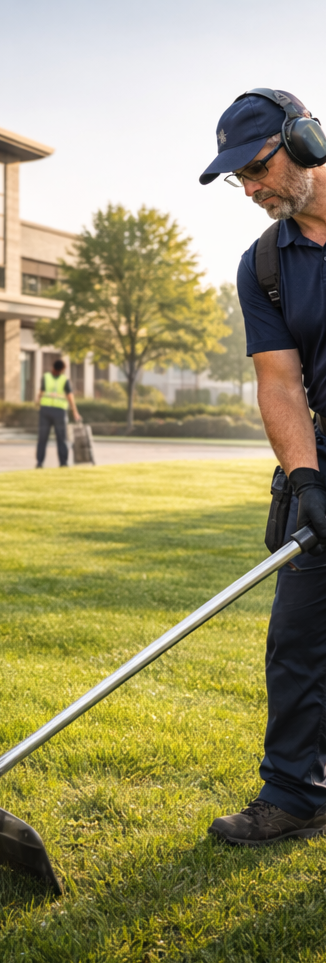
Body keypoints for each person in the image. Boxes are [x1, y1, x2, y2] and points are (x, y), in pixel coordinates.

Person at [200, 89, 326, 845]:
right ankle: (294, 796)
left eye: (256, 168)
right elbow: (278, 381)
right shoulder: (266, 264)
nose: (249, 190)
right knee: (297, 639)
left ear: (306, 140)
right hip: (321, 459)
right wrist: (306, 479)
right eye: (237, 180)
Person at [35, 359, 81, 468]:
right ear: (62, 369)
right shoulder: (65, 380)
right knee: (61, 438)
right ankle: (63, 462)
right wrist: (75, 411)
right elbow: (70, 397)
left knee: (43, 438)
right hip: (58, 412)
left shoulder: (46, 377)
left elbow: (41, 392)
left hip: (45, 411)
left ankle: (40, 462)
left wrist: (37, 403)